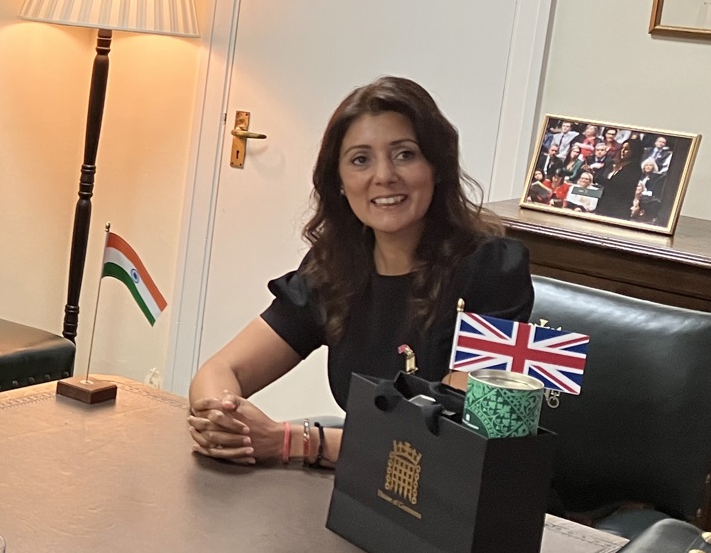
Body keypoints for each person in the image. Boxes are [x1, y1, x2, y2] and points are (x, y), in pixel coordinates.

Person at [187, 77, 531, 468]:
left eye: (404, 154)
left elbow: (456, 439)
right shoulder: (335, 269)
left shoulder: (492, 270)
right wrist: (222, 417)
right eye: (360, 159)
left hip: (464, 499)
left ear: (437, 167)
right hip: (370, 484)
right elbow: (219, 370)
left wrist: (294, 441)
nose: (383, 176)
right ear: (340, 181)